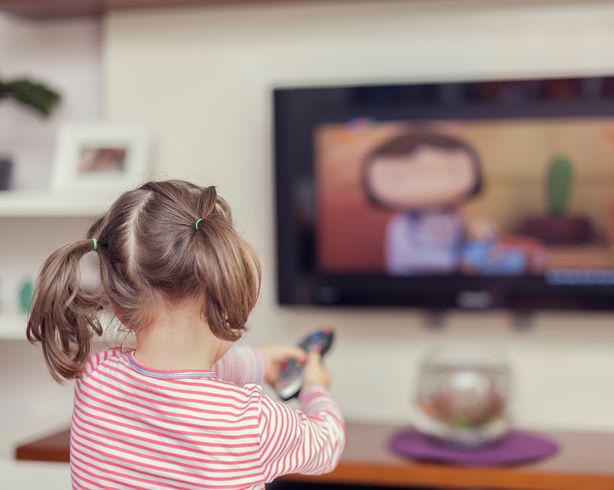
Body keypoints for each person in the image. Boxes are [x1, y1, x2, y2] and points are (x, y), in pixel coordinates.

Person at [26, 180, 345, 489]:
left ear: (120, 306)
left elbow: (177, 378)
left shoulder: (96, 377)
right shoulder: (254, 422)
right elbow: (328, 441)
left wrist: (259, 362)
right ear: (229, 299)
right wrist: (314, 388)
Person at [362, 132, 483, 275]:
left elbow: (465, 238)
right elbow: (407, 257)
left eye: (450, 172)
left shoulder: (454, 215)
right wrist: (454, 262)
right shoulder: (401, 224)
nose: (432, 186)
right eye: (397, 178)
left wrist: (481, 236)